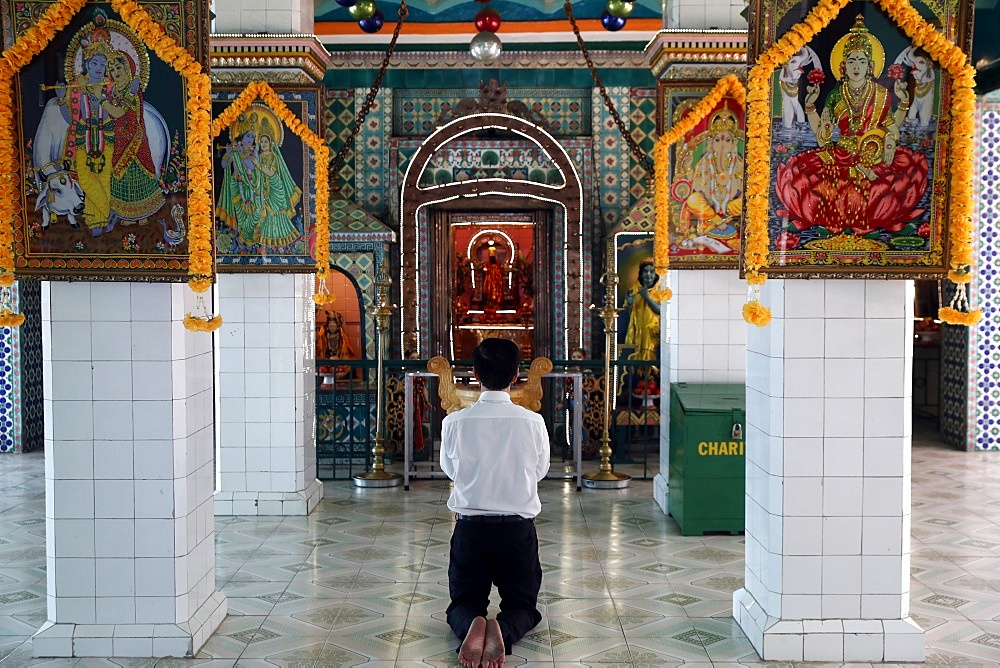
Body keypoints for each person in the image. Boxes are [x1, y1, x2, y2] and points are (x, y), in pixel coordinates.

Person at [440, 338, 550, 668]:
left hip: (470, 530)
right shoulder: (533, 422)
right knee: (523, 606)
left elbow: (450, 469)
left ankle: (472, 622)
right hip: (517, 531)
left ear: (474, 374)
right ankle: (502, 627)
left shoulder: (453, 422)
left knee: (461, 603)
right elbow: (540, 471)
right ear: (517, 375)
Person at [774, 15, 928, 237]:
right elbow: (822, 138)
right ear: (843, 66)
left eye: (862, 61)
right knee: (806, 175)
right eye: (852, 60)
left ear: (870, 66)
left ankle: (870, 210)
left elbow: (891, 128)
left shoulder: (881, 94)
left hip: (871, 155)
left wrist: (902, 107)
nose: (857, 66)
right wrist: (810, 108)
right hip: (842, 154)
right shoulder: (836, 95)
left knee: (900, 178)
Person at [57, 28, 115, 236]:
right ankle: (106, 212)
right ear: (86, 64)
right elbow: (70, 118)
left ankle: (96, 221)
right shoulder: (76, 86)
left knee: (103, 178)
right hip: (83, 136)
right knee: (85, 177)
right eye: (94, 63)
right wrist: (62, 99)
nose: (98, 68)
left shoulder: (110, 86)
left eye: (102, 64)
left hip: (106, 136)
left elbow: (117, 112)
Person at [105, 50, 165, 227]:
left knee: (138, 175)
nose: (115, 72)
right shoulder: (113, 91)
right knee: (122, 176)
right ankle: (126, 214)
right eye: (111, 68)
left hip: (134, 139)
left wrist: (101, 102)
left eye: (118, 67)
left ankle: (142, 213)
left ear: (127, 68)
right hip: (119, 138)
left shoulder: (132, 90)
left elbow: (118, 112)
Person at [677, 108, 744, 250]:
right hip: (709, 207)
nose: (722, 144)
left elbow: (744, 188)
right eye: (718, 140)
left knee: (748, 200)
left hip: (730, 209)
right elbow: (697, 189)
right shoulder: (704, 162)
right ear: (711, 143)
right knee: (693, 200)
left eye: (727, 140)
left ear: (733, 144)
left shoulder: (738, 163)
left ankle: (720, 220)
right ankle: (715, 220)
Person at [623, 258, 661, 362]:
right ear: (641, 274)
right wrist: (630, 304)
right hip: (638, 332)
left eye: (651, 271)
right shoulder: (634, 289)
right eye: (645, 271)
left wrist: (647, 297)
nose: (648, 275)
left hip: (654, 334)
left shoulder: (660, 290)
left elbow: (661, 310)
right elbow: (625, 312)